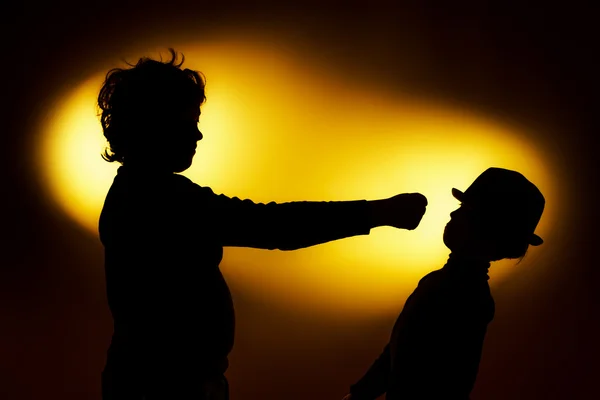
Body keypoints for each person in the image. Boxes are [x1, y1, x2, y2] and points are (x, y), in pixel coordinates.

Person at [97, 49, 428, 399]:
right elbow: (272, 226)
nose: (198, 136)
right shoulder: (158, 199)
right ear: (156, 124)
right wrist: (376, 213)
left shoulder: (141, 192)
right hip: (166, 386)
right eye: (188, 121)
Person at [342, 167, 545, 400]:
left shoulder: (464, 296)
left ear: (492, 233)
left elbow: (445, 378)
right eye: (460, 207)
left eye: (469, 212)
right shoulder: (450, 285)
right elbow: (398, 350)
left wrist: (360, 394)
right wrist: (359, 394)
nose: (453, 215)